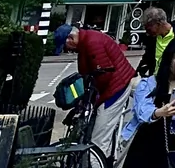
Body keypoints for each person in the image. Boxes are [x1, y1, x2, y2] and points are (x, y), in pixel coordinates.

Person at [54, 23, 137, 166]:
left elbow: (103, 75)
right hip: (118, 82)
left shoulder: (92, 43)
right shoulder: (87, 42)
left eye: (66, 46)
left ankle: (98, 163)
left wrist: (94, 99)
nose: (68, 51)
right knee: (102, 129)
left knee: (99, 137)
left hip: (115, 88)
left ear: (71, 38)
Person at [120, 38, 175, 168]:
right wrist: (159, 112)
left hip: (174, 146)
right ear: (169, 57)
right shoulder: (149, 83)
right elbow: (141, 112)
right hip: (145, 145)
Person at [135, 7, 175, 77]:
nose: (147, 33)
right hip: (156, 80)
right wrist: (140, 70)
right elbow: (148, 56)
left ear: (158, 24)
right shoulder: (153, 38)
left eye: (148, 29)